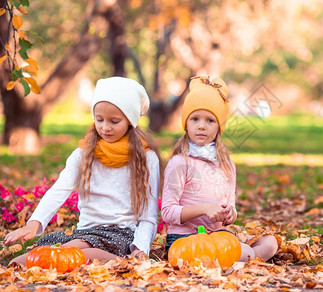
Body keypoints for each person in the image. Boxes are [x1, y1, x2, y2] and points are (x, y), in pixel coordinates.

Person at [4, 76, 161, 265]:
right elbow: (59, 189)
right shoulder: (84, 154)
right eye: (99, 119)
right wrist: (34, 223)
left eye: (114, 121)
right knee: (53, 251)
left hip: (121, 235)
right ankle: (15, 266)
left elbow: (149, 214)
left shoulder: (145, 158)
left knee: (75, 251)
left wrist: (140, 249)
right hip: (85, 233)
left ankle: (123, 261)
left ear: (130, 120)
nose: (105, 127)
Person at [161, 75, 278, 262]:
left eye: (210, 121)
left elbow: (229, 203)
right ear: (186, 123)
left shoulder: (226, 164)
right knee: (244, 252)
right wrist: (203, 209)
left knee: (271, 242)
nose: (201, 126)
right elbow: (167, 212)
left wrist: (231, 213)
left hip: (218, 234)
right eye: (195, 119)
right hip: (185, 239)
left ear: (219, 126)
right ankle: (244, 258)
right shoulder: (181, 162)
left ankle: (239, 257)